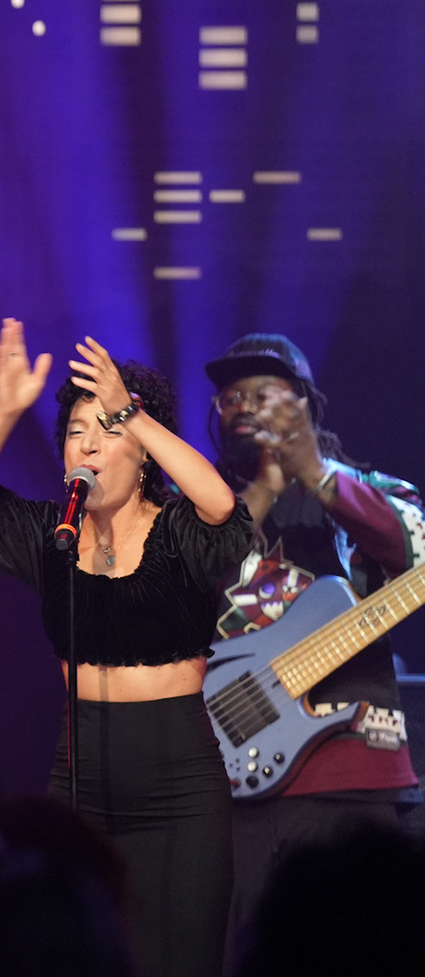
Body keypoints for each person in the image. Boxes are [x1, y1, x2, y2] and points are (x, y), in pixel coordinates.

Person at [0, 320, 253, 977]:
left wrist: (131, 413)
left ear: (143, 456)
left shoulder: (179, 532)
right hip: (79, 782)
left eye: (107, 430)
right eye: (76, 432)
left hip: (181, 794)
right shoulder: (52, 535)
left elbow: (220, 504)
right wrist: (5, 411)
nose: (87, 444)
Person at [202, 334, 425, 933]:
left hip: (351, 775)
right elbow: (164, 589)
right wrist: (263, 492)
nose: (244, 405)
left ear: (304, 404)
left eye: (264, 393)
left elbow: (414, 552)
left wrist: (318, 477)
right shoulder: (190, 504)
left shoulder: (374, 489)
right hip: (220, 777)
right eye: (231, 397)